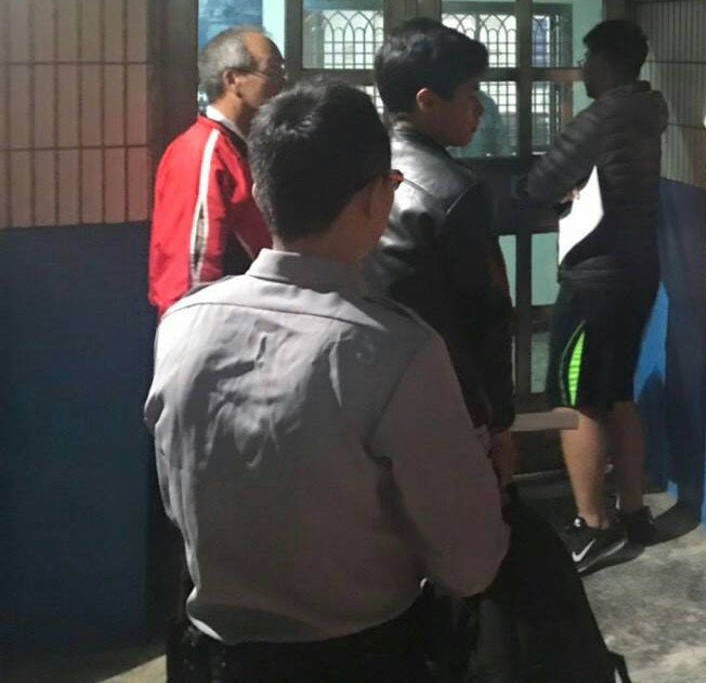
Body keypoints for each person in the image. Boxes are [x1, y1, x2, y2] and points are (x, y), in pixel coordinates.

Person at [147, 81, 509, 679]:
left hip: (209, 658)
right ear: (374, 197)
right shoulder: (396, 351)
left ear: (260, 192)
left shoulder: (183, 325)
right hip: (358, 658)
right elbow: (470, 563)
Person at [517, 18, 669, 574]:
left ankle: (593, 526)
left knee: (575, 397)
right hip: (638, 273)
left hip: (595, 281)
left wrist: (547, 194)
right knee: (618, 392)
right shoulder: (647, 112)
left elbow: (539, 183)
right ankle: (633, 512)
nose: (582, 70)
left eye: (586, 61)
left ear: (604, 64)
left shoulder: (603, 117)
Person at [366, 18, 516, 487]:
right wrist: (500, 421)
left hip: (369, 387)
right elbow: (487, 315)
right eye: (471, 94)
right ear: (427, 100)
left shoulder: (364, 170)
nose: (480, 109)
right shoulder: (454, 191)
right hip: (446, 395)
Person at [148, 26, 284, 315]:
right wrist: (195, 331)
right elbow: (191, 271)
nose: (282, 84)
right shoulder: (203, 152)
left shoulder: (243, 146)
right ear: (233, 80)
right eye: (273, 72)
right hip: (216, 325)